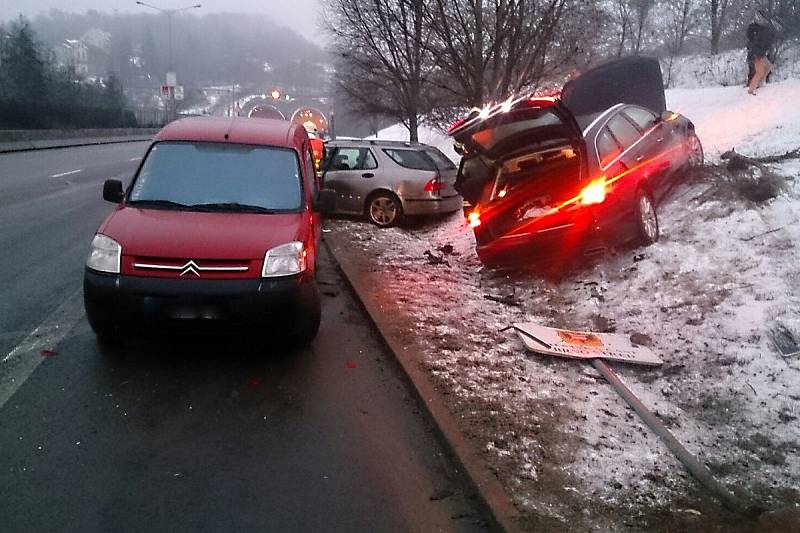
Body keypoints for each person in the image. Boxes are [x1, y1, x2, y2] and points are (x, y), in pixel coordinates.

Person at [747, 11, 777, 95]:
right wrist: (757, 53)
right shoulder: (761, 33)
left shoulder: (765, 32)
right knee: (759, 72)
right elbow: (755, 44)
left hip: (760, 53)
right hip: (757, 54)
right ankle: (751, 90)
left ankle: (760, 84)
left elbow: (765, 44)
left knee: (768, 66)